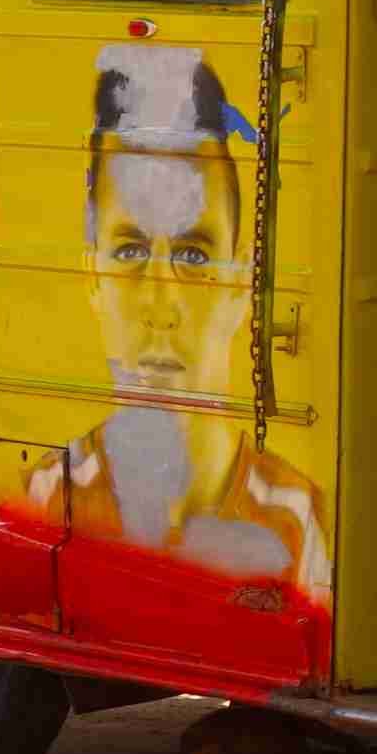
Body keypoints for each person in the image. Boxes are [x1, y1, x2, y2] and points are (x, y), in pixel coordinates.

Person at [40, 45, 328, 596]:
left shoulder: (304, 526)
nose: (161, 303)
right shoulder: (46, 497)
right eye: (129, 251)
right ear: (91, 272)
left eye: (194, 256)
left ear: (243, 282)